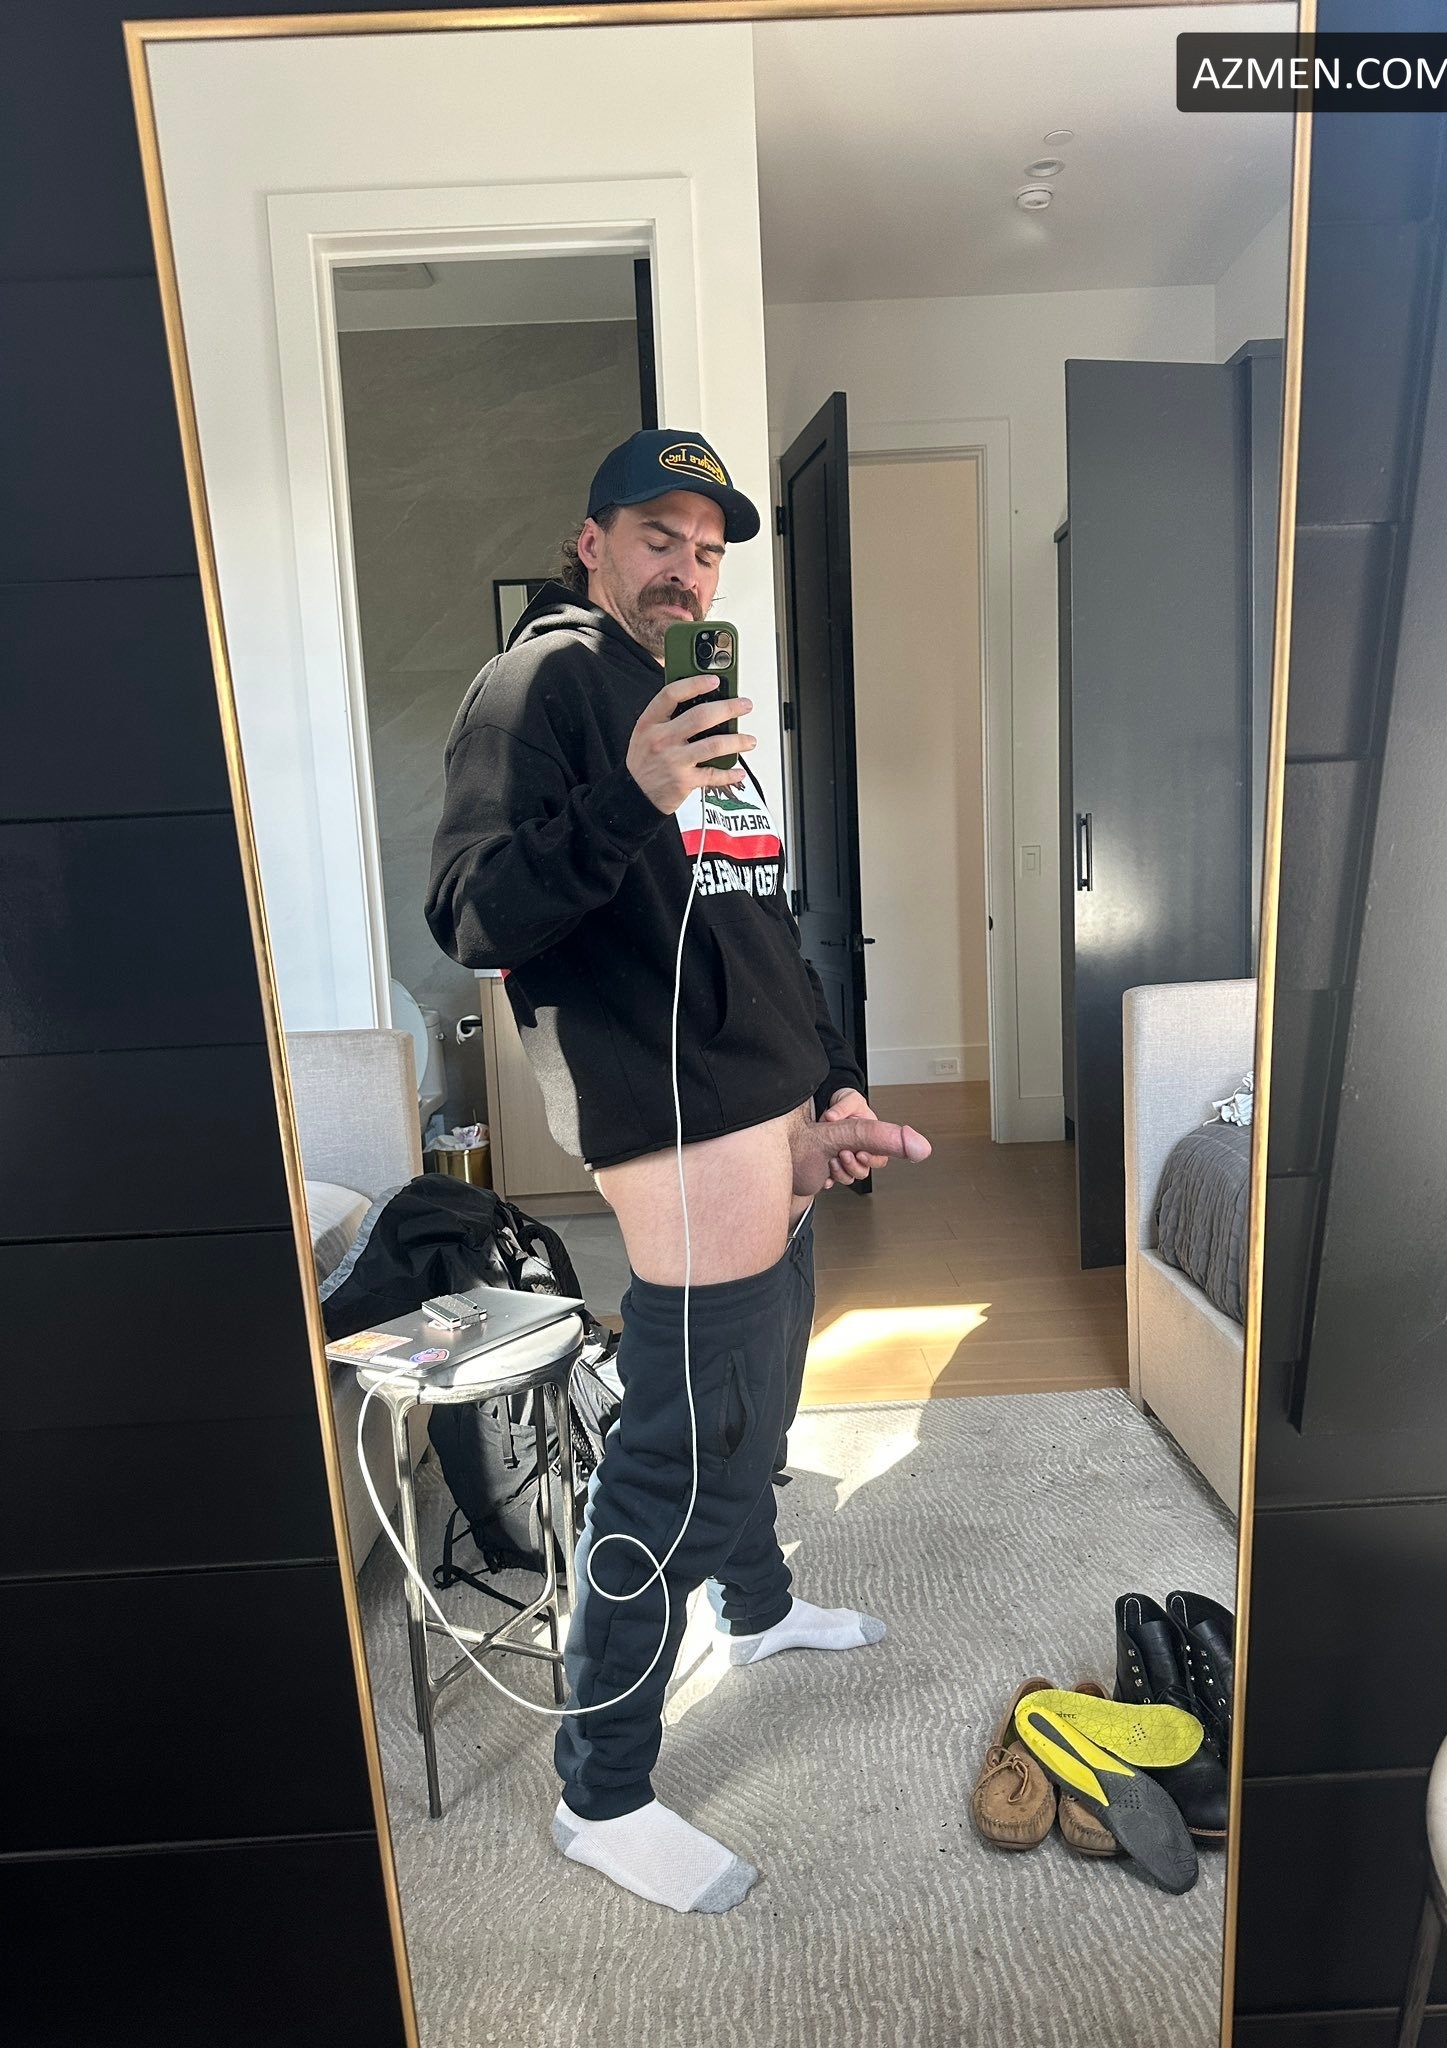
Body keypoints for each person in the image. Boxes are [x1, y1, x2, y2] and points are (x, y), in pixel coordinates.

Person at [425, 428, 930, 1914]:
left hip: (767, 1099)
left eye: (707, 550)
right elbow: (469, 914)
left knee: (764, 1394)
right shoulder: (538, 685)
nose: (687, 569)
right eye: (659, 536)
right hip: (669, 1104)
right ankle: (602, 1791)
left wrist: (831, 1078)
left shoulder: (693, 702)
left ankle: (754, 1604)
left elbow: (759, 912)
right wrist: (633, 793)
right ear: (592, 541)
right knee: (677, 1447)